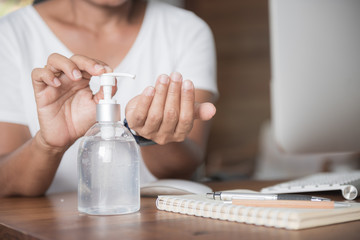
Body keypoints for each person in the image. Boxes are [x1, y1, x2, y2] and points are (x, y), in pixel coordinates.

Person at [0, 0, 218, 197]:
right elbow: (5, 182)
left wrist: (148, 132)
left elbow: (182, 169)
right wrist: (48, 145)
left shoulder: (186, 31)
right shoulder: (10, 35)